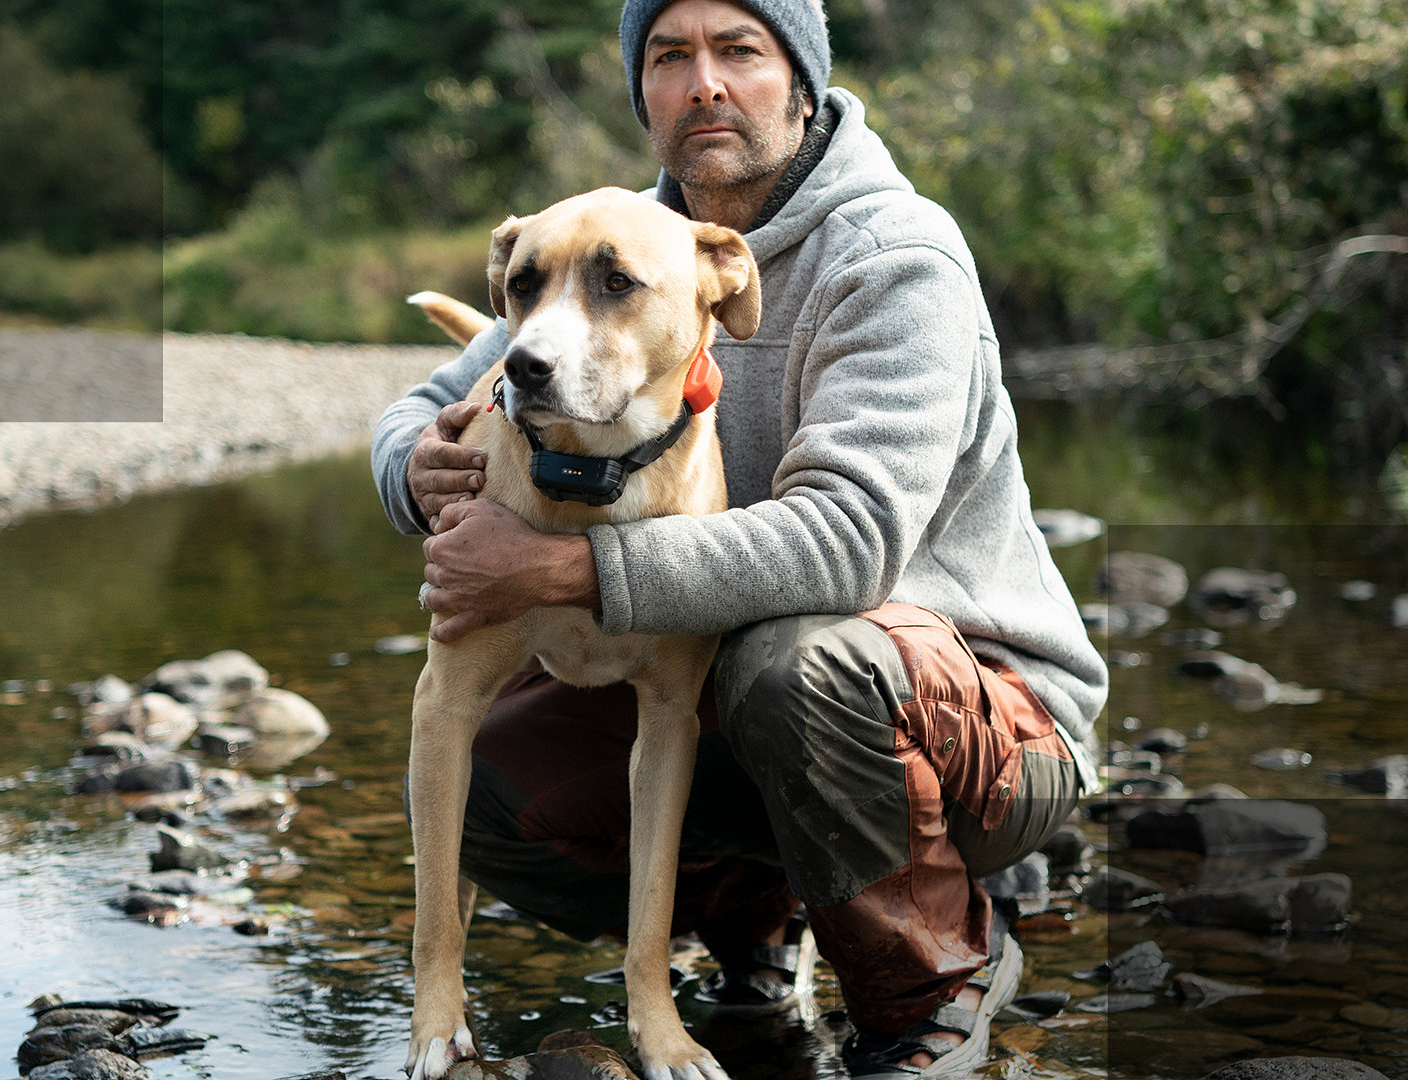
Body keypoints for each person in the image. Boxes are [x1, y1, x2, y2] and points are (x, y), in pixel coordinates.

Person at [370, 0, 1107, 1074]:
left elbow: (848, 545)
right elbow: (435, 397)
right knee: (485, 773)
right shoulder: (607, 245)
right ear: (643, 96)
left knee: (789, 660)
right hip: (749, 695)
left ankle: (937, 975)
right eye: (670, 56)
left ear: (801, 81)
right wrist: (413, 467)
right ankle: (751, 921)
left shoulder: (895, 255)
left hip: (980, 720)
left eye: (740, 50)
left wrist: (560, 567)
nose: (704, 82)